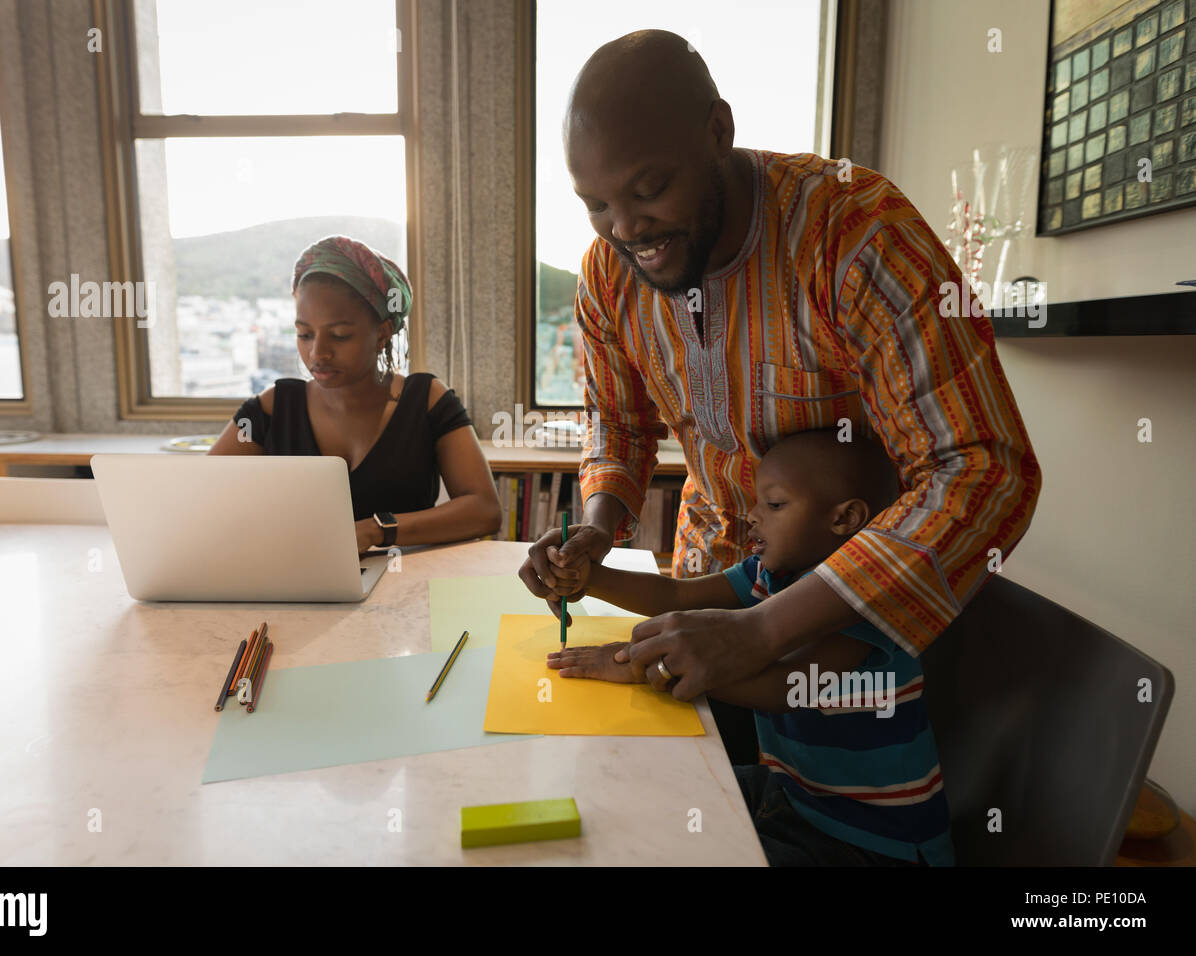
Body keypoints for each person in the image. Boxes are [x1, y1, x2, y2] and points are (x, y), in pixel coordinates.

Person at [520, 29, 1041, 698]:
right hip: (703, 579)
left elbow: (983, 471)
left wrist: (764, 631)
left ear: (717, 131)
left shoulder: (857, 236)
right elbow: (617, 429)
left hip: (843, 626)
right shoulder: (607, 275)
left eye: (649, 189)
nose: (625, 229)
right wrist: (593, 532)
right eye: (596, 205)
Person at [546, 428, 953, 866]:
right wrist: (591, 577)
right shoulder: (770, 572)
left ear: (845, 518)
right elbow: (677, 597)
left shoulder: (869, 603)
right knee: (647, 797)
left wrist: (642, 665)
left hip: (869, 841)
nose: (753, 517)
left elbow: (787, 688)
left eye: (775, 505)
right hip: (789, 795)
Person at [210, 235, 501, 553]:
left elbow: (484, 511)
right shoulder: (270, 409)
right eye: (304, 334)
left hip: (404, 584)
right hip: (297, 588)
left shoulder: (426, 400)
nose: (317, 353)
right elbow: (198, 499)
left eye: (339, 335)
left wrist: (376, 531)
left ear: (383, 333)